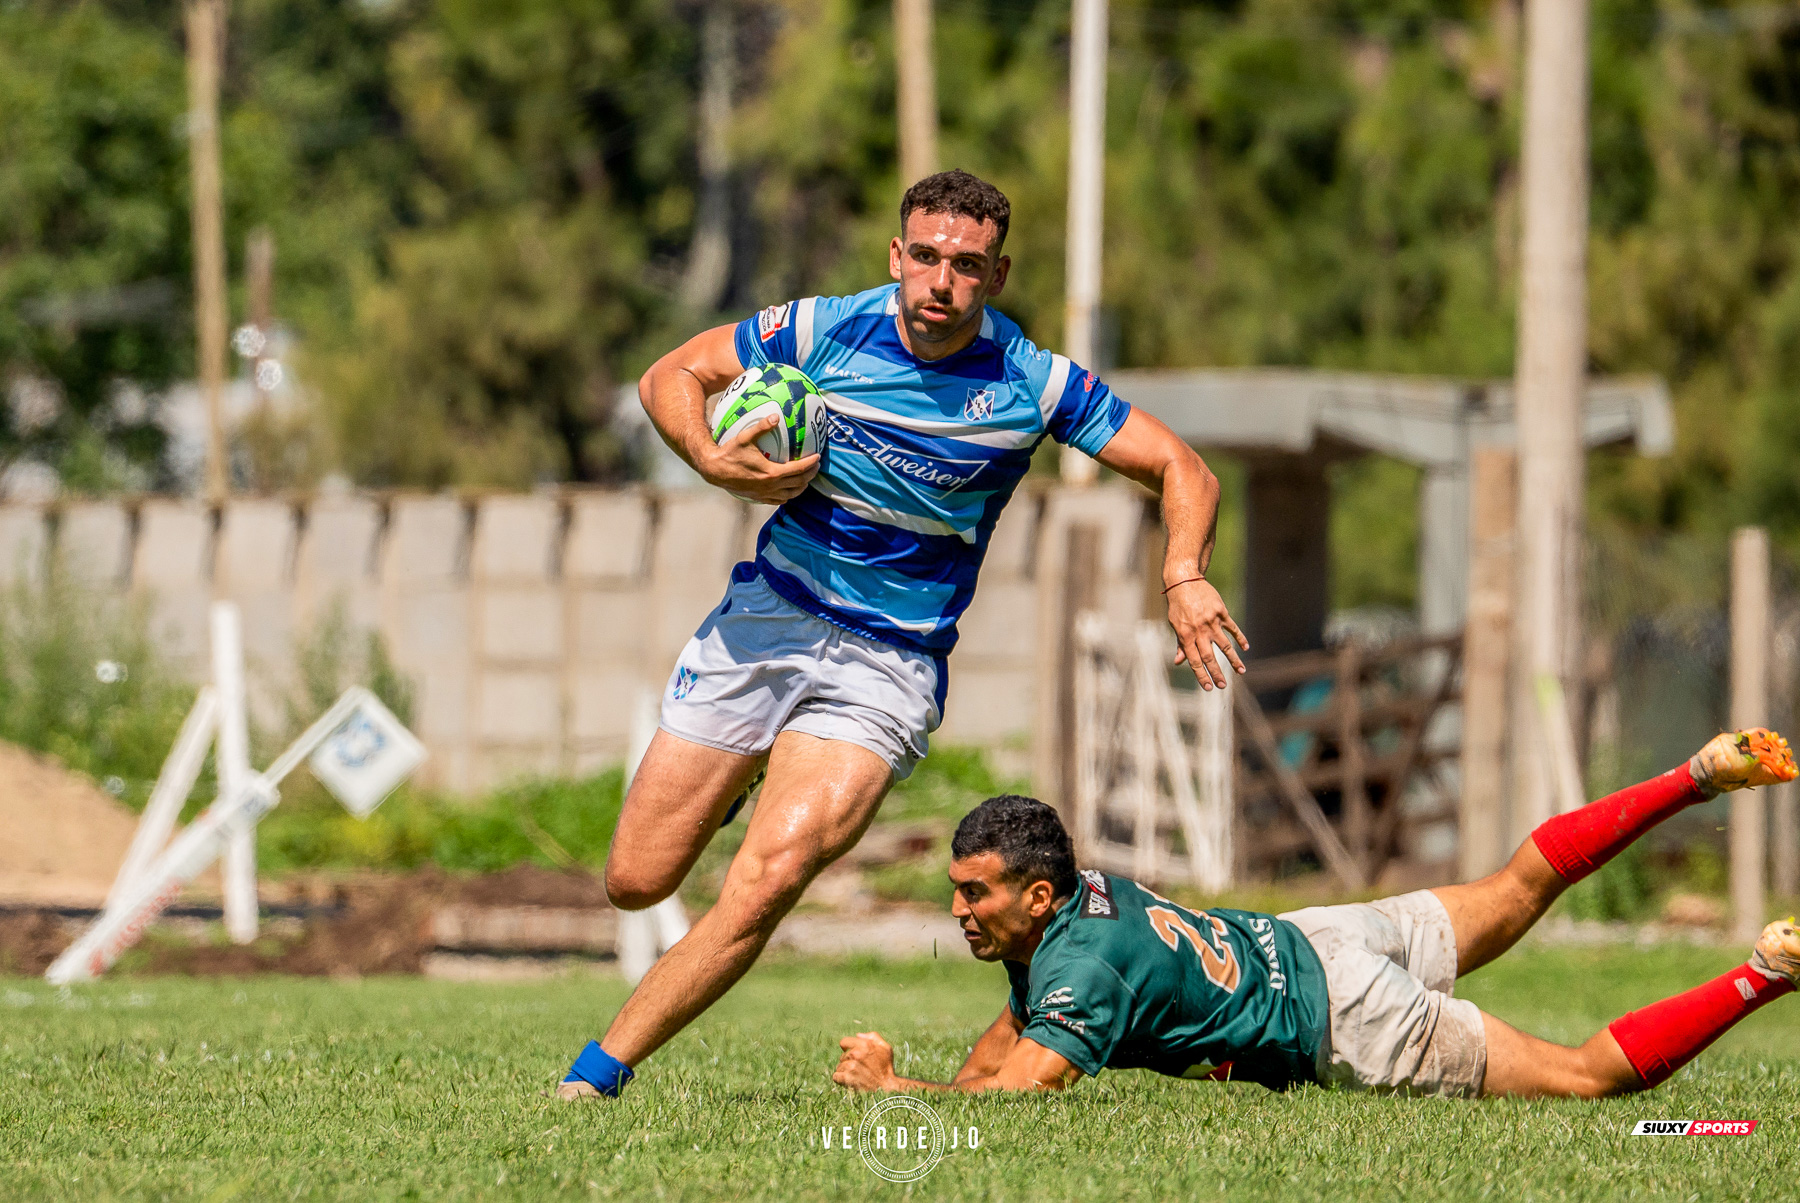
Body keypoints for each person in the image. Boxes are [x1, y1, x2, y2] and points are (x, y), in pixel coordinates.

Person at [558, 169, 1248, 1099]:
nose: (940, 281)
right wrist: (709, 456)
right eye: (924, 257)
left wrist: (1184, 573)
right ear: (896, 256)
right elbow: (669, 374)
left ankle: (598, 1071)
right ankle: (751, 763)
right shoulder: (822, 328)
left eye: (966, 265)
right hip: (770, 617)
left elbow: (1181, 465)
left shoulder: (1030, 382)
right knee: (635, 881)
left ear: (996, 276)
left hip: (888, 664)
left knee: (770, 875)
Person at [832, 730, 1800, 1098]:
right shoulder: (1071, 904)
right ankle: (1693, 775)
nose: (955, 908)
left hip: (1345, 1021)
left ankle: (1768, 972)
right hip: (1316, 934)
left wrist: (895, 1093)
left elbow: (1016, 1098)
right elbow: (1012, 1026)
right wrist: (954, 1077)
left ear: (1034, 896)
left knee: (1586, 1080)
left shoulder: (1081, 969)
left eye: (973, 893)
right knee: (1516, 885)